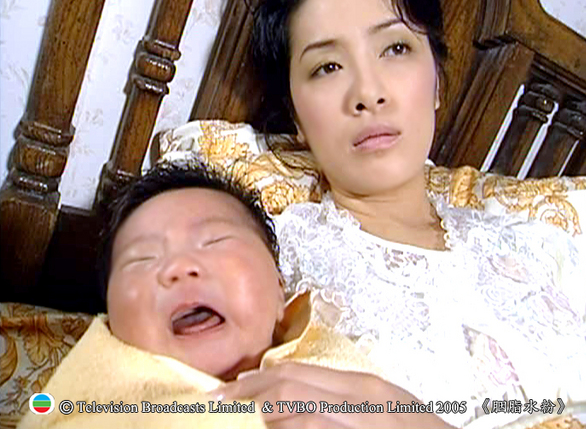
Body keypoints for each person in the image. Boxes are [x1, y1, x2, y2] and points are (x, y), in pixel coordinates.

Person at [214, 0, 586, 428]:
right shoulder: (276, 266)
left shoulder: (543, 246)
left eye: (395, 49)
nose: (368, 93)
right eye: (327, 67)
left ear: (436, 84)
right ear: (297, 121)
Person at [16, 162, 387, 429]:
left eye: (215, 241)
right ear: (112, 325)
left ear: (280, 291)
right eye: (142, 259)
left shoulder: (346, 376)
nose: (178, 268)